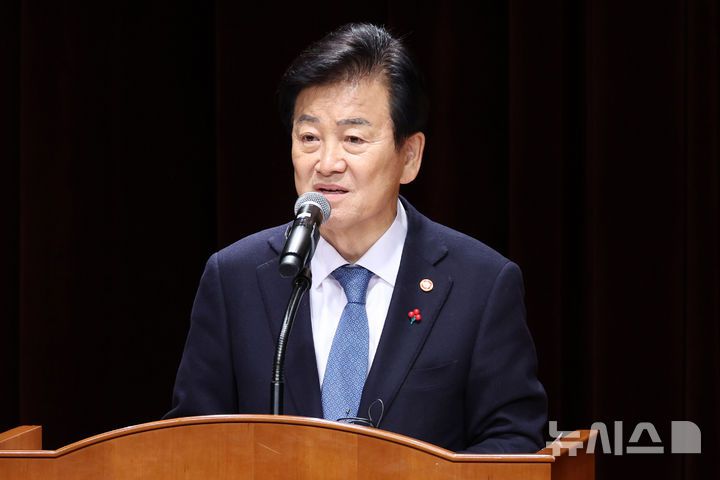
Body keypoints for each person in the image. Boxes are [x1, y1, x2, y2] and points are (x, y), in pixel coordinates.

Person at [165, 22, 547, 454]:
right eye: (309, 137)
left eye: (353, 138)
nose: (327, 162)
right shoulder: (235, 278)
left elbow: (513, 441)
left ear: (409, 156)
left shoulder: (480, 283)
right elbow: (190, 444)